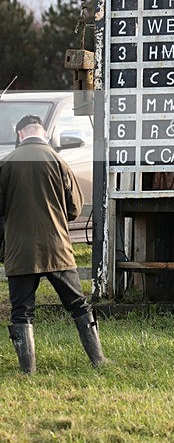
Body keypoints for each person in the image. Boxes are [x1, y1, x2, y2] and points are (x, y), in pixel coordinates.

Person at [0, 114, 106, 373]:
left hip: (20, 252)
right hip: (57, 250)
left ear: (20, 134)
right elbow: (74, 209)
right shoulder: (59, 161)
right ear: (44, 133)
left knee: (22, 312)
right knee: (78, 305)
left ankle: (29, 370)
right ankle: (98, 360)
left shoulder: (6, 164)